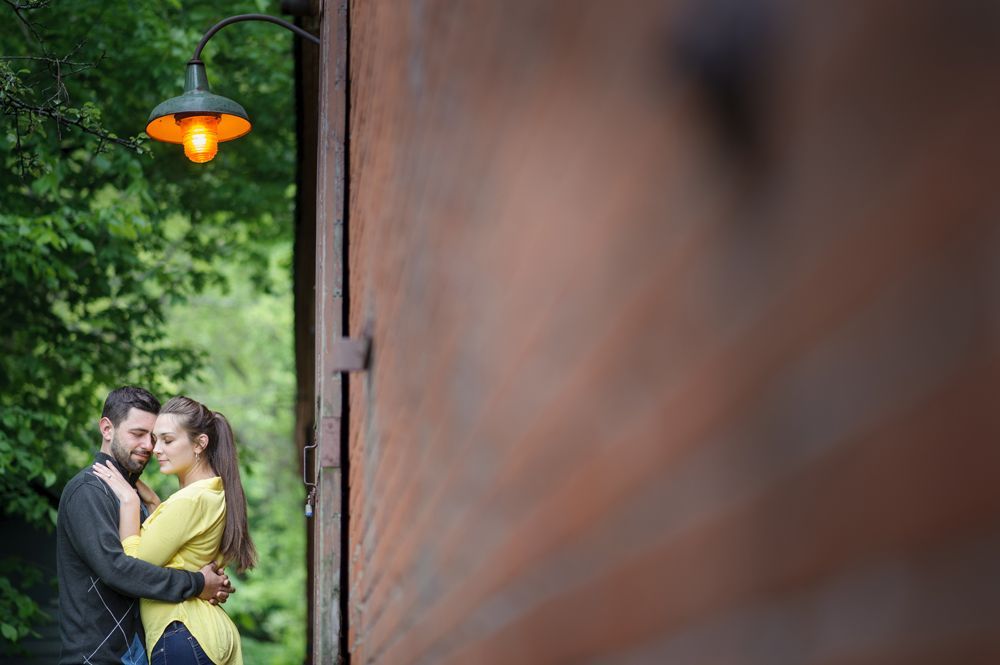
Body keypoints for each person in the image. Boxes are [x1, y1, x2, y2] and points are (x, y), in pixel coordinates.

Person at [57, 386, 233, 665]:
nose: (150, 446)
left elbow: (161, 562)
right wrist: (198, 583)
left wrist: (210, 580)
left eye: (152, 437)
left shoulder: (132, 494)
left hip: (141, 654)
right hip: (98, 658)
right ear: (107, 428)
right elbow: (119, 570)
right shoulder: (87, 491)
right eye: (137, 434)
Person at [91, 395, 256, 665]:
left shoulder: (189, 500)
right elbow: (181, 551)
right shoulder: (212, 492)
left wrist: (130, 504)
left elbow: (133, 567)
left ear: (200, 444)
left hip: (182, 631)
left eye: (167, 440)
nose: (155, 449)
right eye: (156, 440)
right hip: (205, 631)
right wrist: (156, 504)